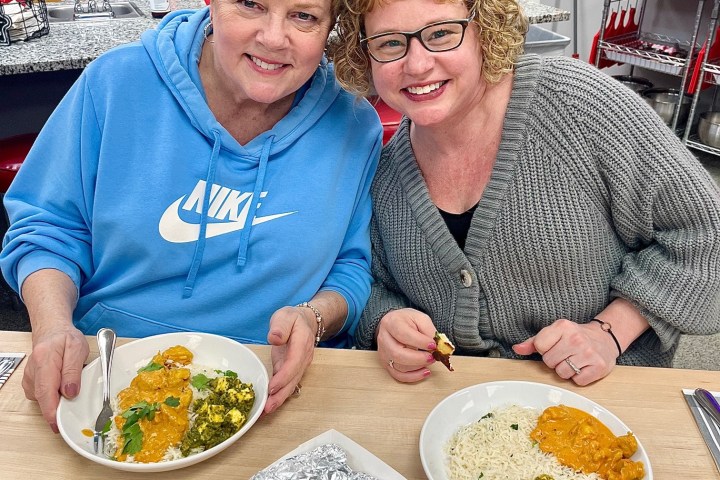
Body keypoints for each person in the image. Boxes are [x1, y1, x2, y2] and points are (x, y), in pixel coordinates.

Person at [0, 0, 382, 432]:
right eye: (250, 4)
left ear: (331, 28)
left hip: (274, 391)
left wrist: (314, 318)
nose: (274, 38)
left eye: (305, 16)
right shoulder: (113, 84)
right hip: (103, 374)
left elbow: (350, 268)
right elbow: (49, 230)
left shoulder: (354, 126)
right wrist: (53, 328)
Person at [330, 0, 720, 385]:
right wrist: (387, 322)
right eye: (389, 43)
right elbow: (375, 281)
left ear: (484, 30)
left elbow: (706, 233)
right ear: (364, 54)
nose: (417, 65)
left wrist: (608, 332)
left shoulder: (578, 104)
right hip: (460, 418)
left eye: (442, 33)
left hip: (609, 401)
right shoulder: (384, 171)